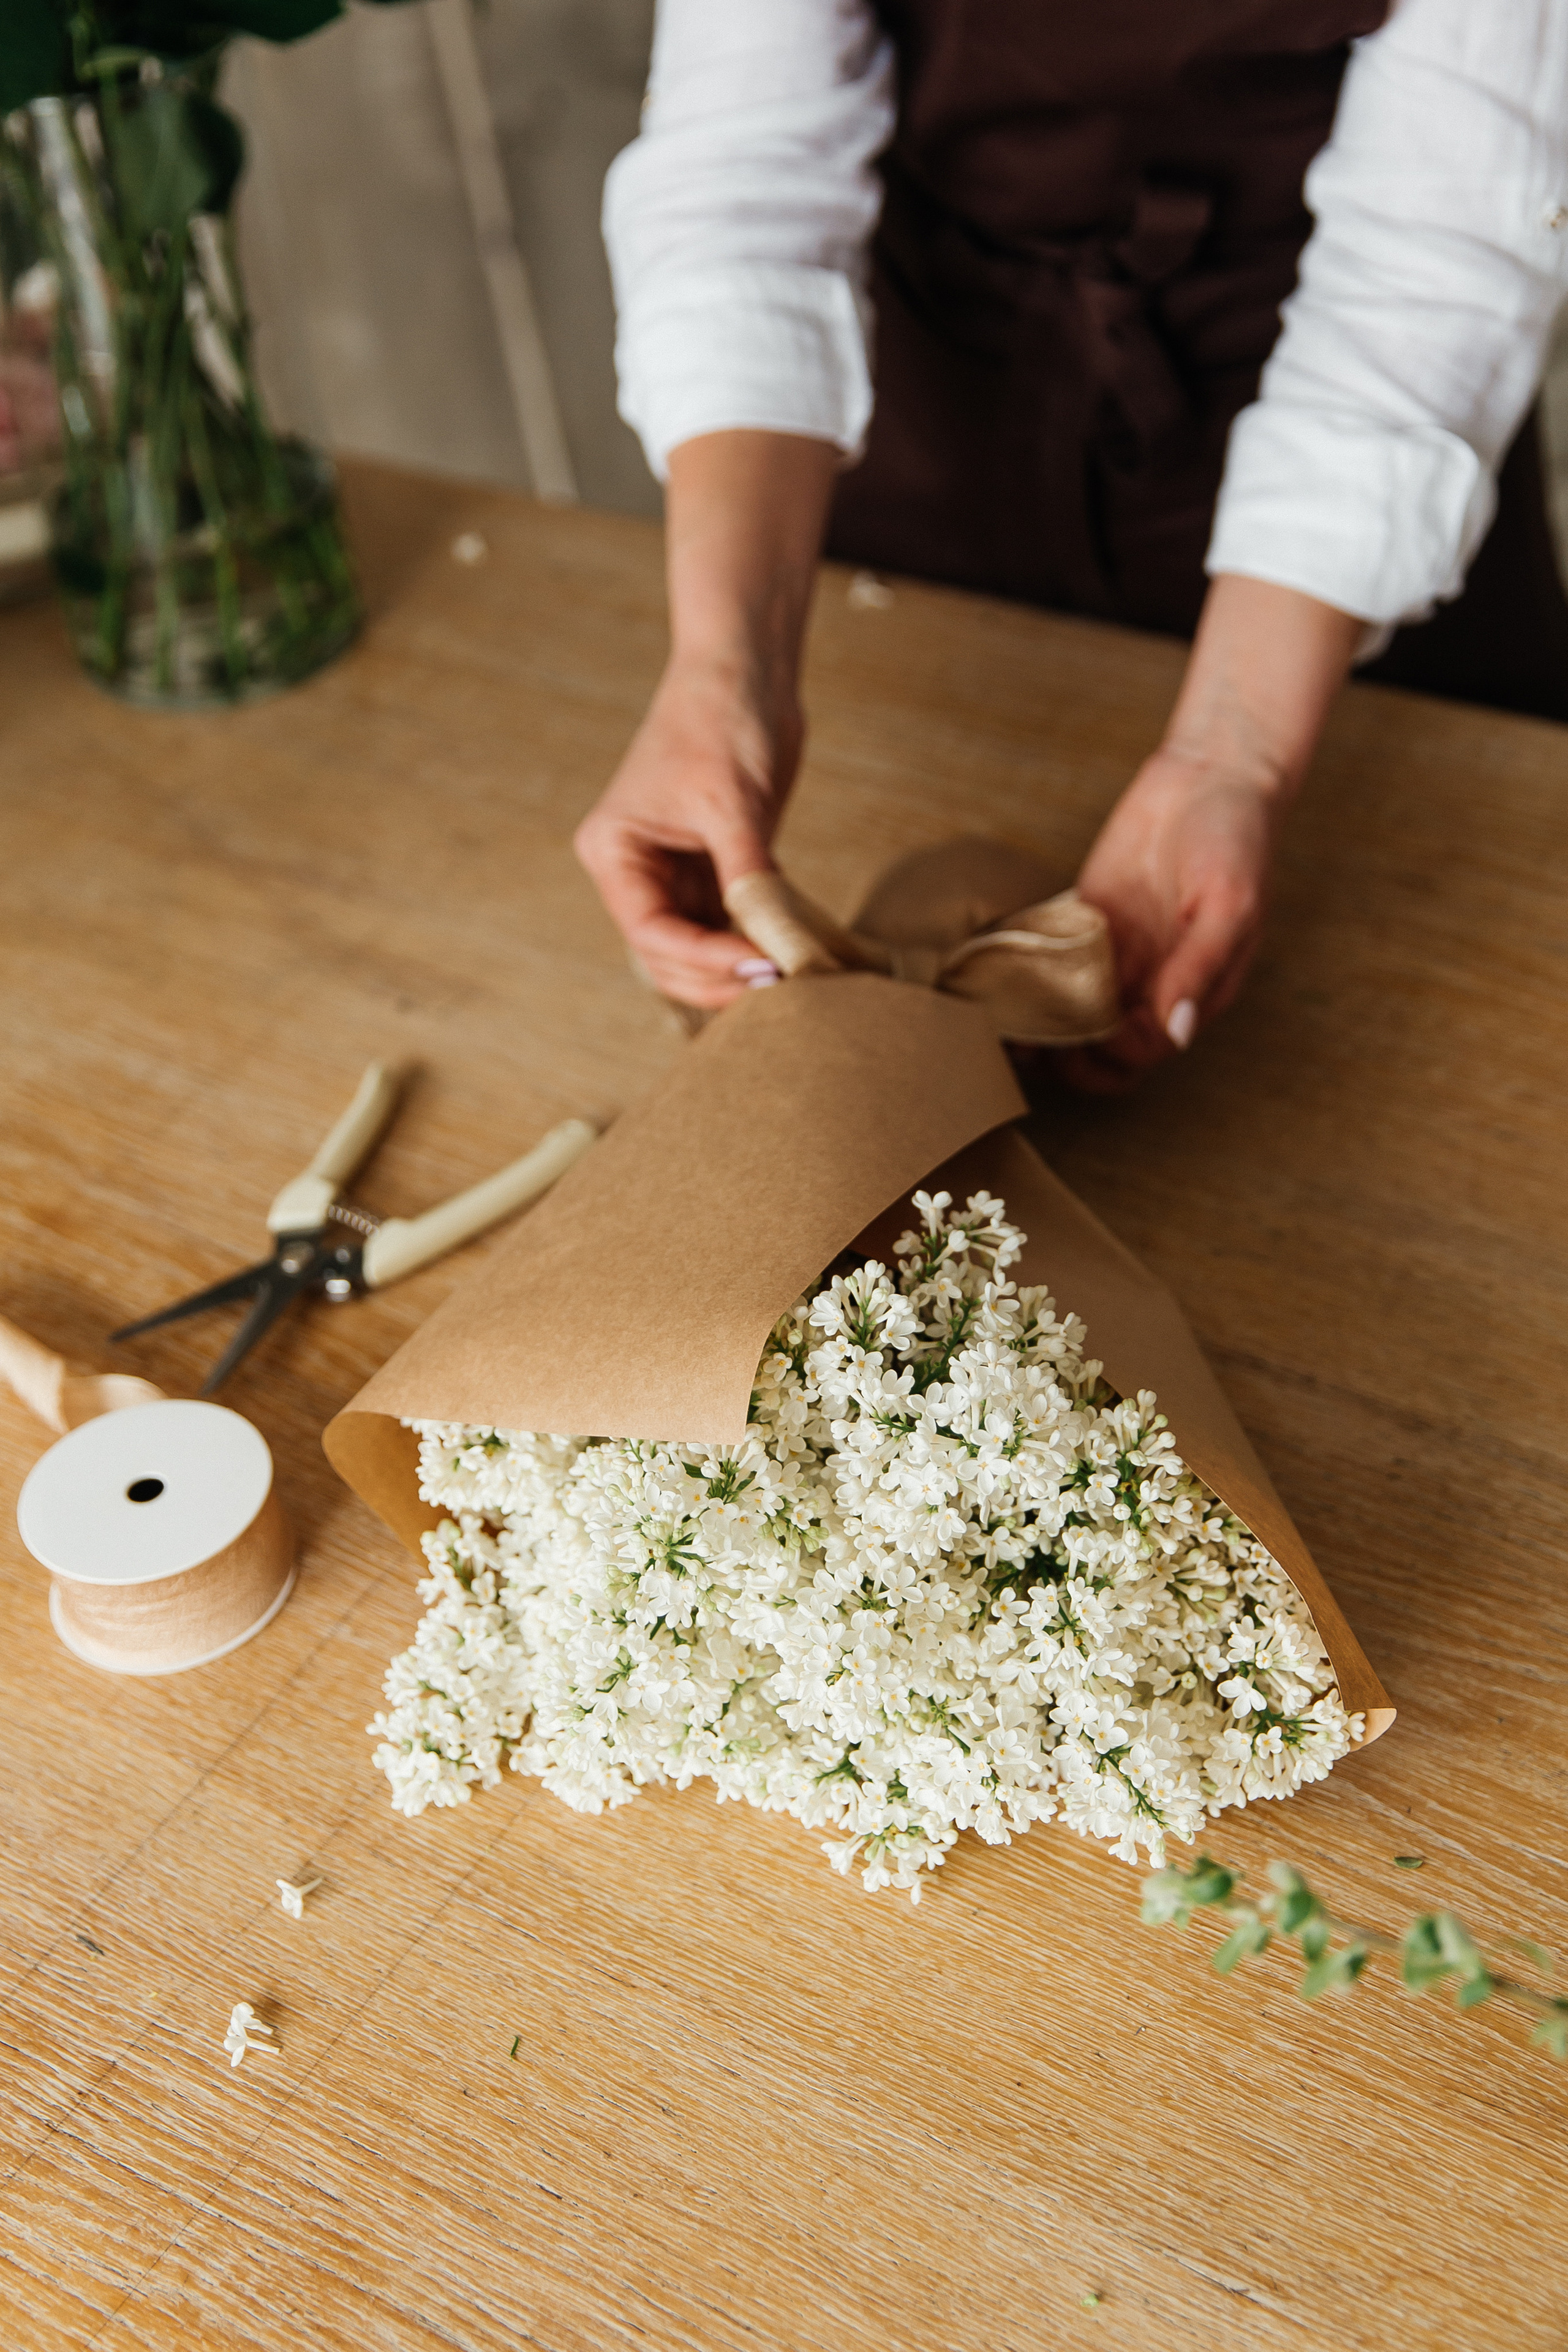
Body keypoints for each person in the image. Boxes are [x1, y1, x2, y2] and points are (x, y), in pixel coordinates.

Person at [576, 0, 1568, 1086]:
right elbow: (745, 154)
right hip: (940, 409)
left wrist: (1235, 750)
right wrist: (728, 661)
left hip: (1345, 462)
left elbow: (1442, 253)